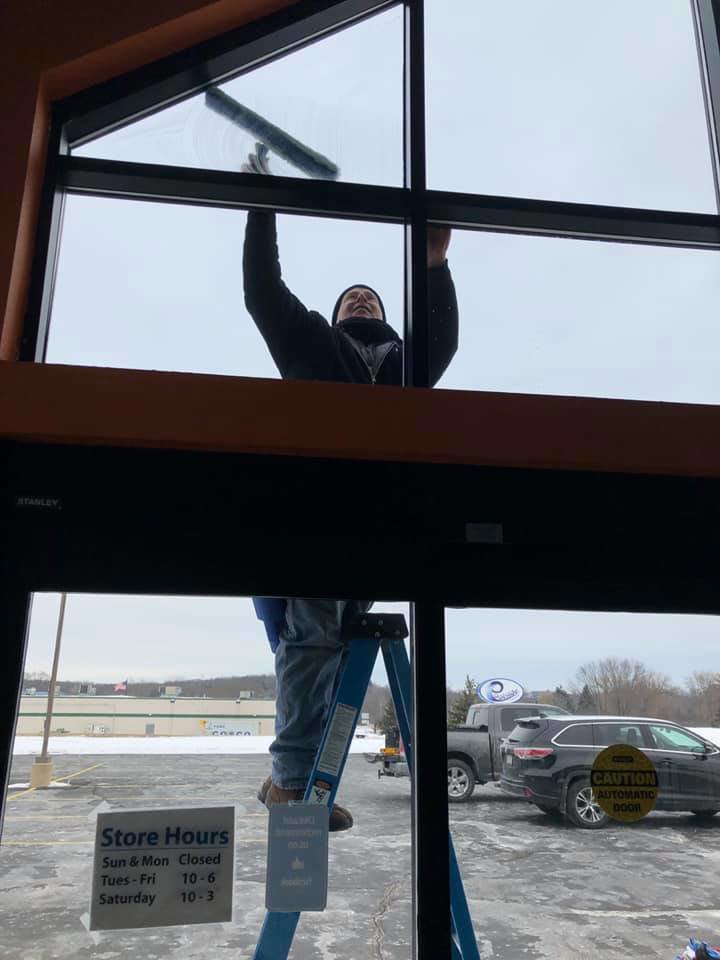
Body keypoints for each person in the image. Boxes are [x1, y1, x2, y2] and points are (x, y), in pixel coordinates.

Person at [242, 149, 458, 831]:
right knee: (311, 640)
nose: (362, 299)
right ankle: (291, 784)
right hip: (316, 521)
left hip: (377, 528)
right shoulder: (313, 346)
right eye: (350, 298)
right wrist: (262, 208)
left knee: (332, 648)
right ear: (335, 316)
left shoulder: (403, 366)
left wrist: (435, 265)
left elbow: (442, 341)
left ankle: (297, 779)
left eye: (371, 297)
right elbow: (263, 293)